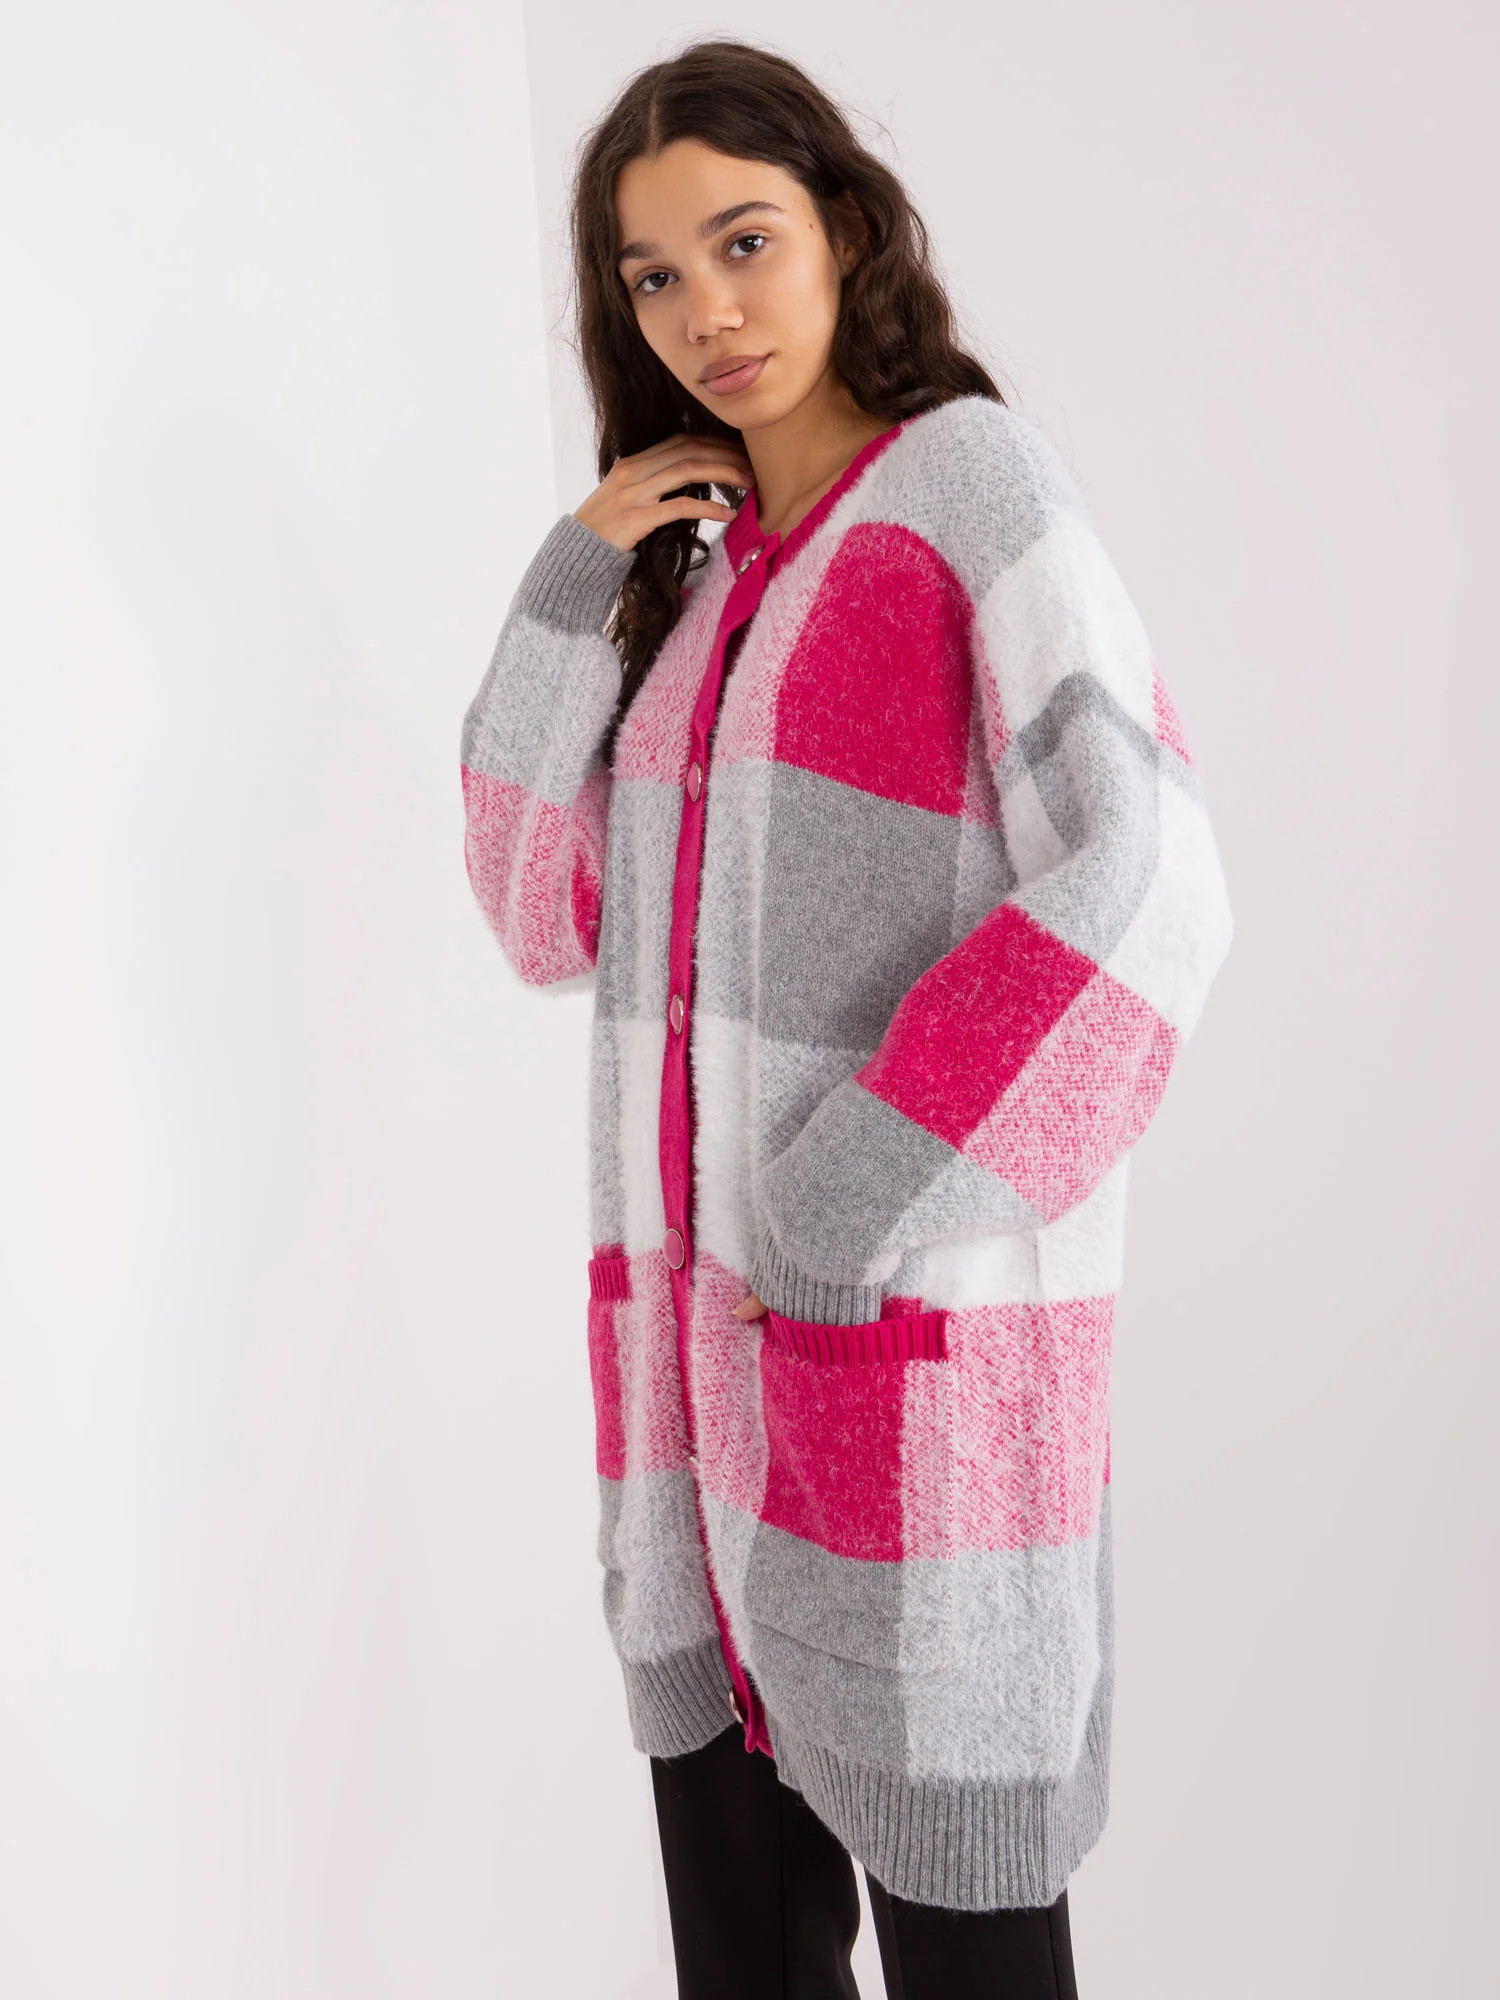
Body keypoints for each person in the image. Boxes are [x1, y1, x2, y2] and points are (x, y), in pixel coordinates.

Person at [459, 37, 1233, 2000]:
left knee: (977, 1950)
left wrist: (844, 1196)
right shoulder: (695, 595)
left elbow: (1151, 884)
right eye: (652, 275)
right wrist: (579, 574)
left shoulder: (968, 490)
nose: (706, 311)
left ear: (846, 228)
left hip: (908, 1396)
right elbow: (541, 912)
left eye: (745, 242)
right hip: (689, 1445)